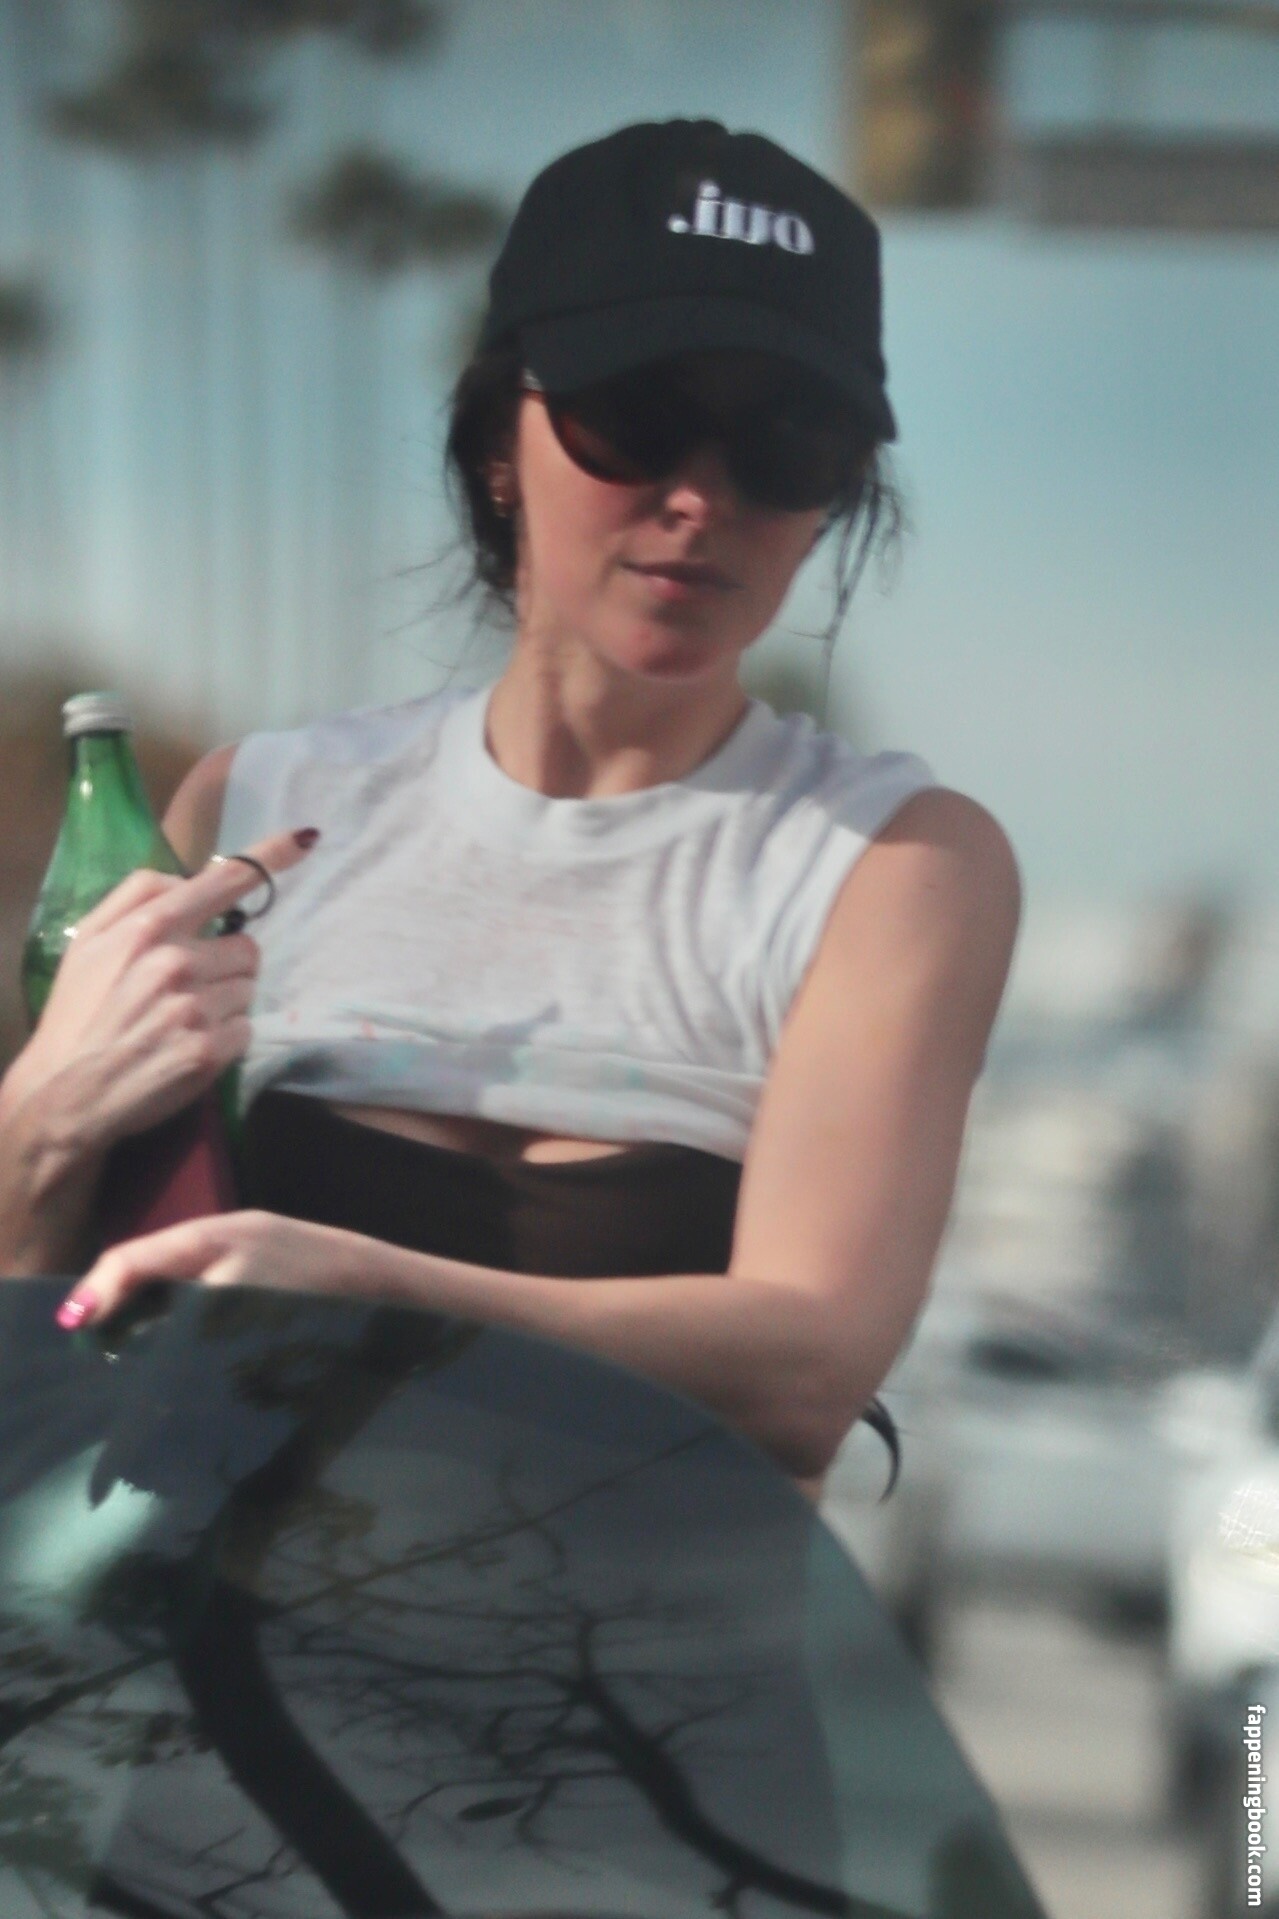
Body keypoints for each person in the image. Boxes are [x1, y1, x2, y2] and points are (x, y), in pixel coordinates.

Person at [0, 120, 1019, 1484]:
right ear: (499, 440)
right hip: (205, 1607)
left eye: (789, 443)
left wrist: (369, 1296)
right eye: (636, 416)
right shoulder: (256, 803)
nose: (700, 497)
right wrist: (39, 1122)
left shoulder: (890, 864)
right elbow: (54, 1326)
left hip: (634, 1628)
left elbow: (806, 1372)